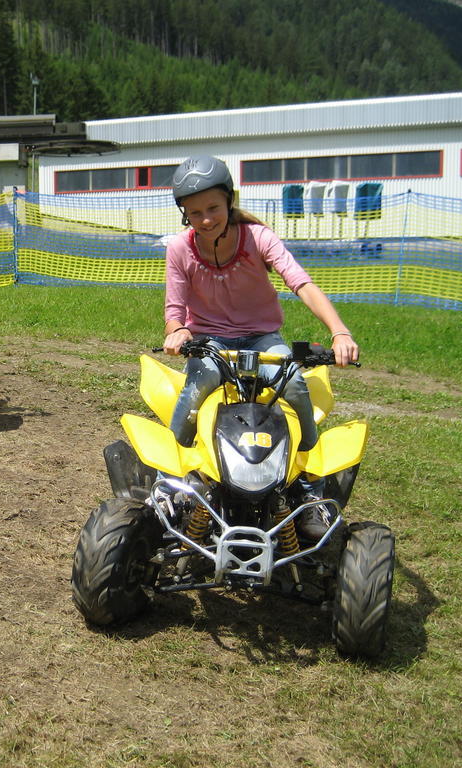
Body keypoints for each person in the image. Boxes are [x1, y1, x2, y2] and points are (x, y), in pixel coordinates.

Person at [161, 155, 360, 539]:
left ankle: (309, 486)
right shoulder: (179, 250)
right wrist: (179, 331)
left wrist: (339, 331)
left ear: (229, 201)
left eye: (214, 208)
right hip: (211, 339)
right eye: (195, 212)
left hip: (261, 336)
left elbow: (300, 283)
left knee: (295, 386)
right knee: (196, 388)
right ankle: (173, 483)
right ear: (184, 213)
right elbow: (175, 311)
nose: (206, 219)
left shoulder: (258, 238)